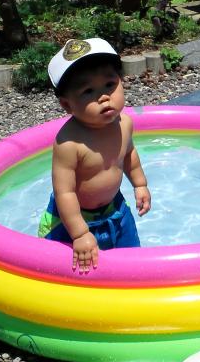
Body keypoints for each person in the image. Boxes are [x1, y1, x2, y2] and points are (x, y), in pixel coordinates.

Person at [37, 38, 151, 274]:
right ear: (67, 105)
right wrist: (79, 233)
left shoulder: (125, 124)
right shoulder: (69, 143)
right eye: (88, 91)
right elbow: (65, 192)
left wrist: (140, 184)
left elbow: (128, 154)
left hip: (115, 209)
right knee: (72, 274)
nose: (103, 97)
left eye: (110, 84)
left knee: (132, 262)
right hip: (73, 219)